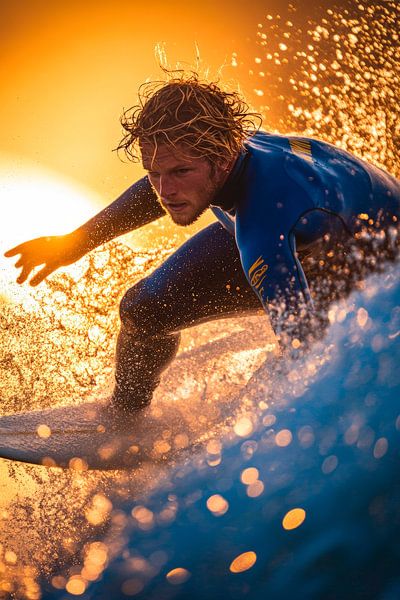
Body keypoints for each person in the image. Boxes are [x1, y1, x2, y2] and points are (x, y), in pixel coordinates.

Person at [4, 73, 400, 412]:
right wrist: (74, 243)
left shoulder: (264, 222)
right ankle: (124, 416)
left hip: (370, 259)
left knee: (298, 356)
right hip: (320, 218)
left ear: (223, 158)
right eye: (154, 172)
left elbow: (305, 344)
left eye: (180, 172)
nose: (165, 190)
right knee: (144, 310)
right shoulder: (225, 154)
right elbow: (159, 184)